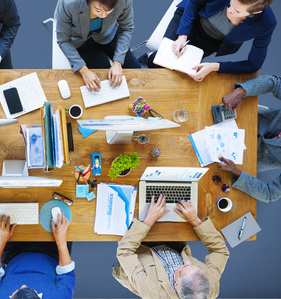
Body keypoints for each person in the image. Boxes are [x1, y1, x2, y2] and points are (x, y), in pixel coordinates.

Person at [112, 195, 229, 298]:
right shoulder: (210, 286)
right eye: (195, 267)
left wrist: (149, 220)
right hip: (173, 248)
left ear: (176, 285)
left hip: (141, 252)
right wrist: (195, 221)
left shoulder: (152, 292)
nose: (187, 262)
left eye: (184, 268)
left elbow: (125, 251)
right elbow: (220, 251)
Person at [143, 0, 276, 82]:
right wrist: (182, 36)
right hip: (192, 20)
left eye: (235, 10)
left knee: (180, 75)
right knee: (162, 64)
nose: (229, 9)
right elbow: (193, 2)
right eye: (231, 2)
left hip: (212, 41)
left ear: (256, 11)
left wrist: (214, 67)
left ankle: (151, 57)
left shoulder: (267, 23)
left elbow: (254, 64)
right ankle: (148, 58)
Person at [218, 74, 281, 202]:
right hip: (243, 119)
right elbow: (275, 83)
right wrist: (240, 92)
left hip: (237, 158)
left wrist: (236, 171)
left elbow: (269, 194)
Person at [56, 0, 141, 92]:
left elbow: (126, 28)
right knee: (102, 83)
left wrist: (117, 63)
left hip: (109, 34)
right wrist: (83, 70)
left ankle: (146, 57)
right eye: (98, 10)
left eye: (109, 11)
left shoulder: (124, 1)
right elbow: (63, 40)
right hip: (81, 42)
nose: (103, 15)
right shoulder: (68, 3)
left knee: (136, 71)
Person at [0, 215, 75, 298]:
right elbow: (66, 273)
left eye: (19, 289)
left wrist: (0, 241)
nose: (23, 285)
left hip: (13, 253)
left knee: (8, 213)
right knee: (65, 216)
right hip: (53, 251)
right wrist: (61, 240)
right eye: (29, 288)